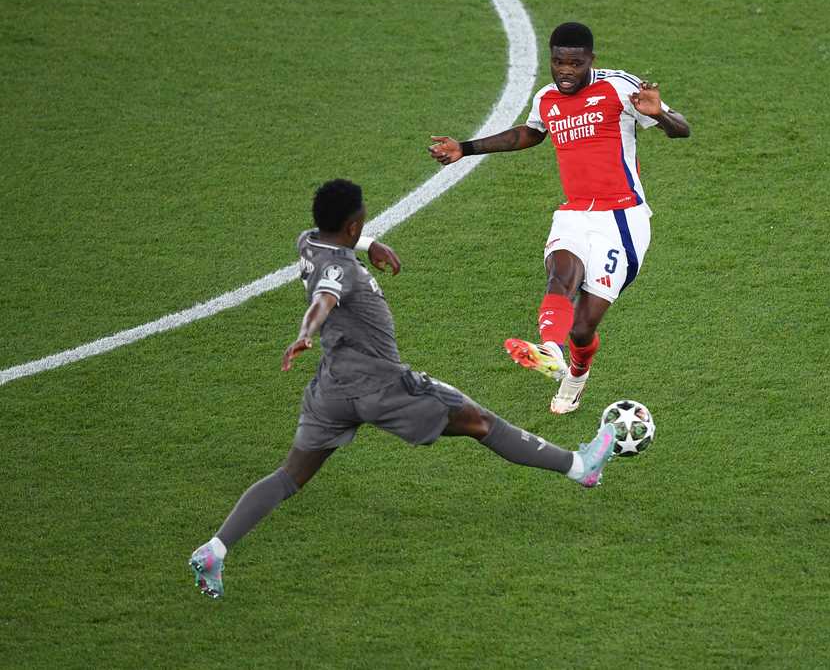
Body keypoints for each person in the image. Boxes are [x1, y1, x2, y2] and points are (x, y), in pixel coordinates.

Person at [189, 179, 617, 599]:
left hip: (332, 387)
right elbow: (325, 297)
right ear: (353, 223)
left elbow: (332, 259)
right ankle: (580, 466)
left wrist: (369, 243)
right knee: (482, 423)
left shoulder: (310, 243)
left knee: (288, 476)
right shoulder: (338, 270)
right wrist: (306, 331)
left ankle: (215, 550)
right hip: (385, 385)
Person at [428, 22, 690, 414]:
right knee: (560, 273)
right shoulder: (547, 99)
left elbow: (681, 130)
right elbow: (532, 133)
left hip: (621, 220)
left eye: (575, 63)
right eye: (558, 62)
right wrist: (466, 148)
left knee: (584, 326)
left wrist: (660, 115)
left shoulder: (619, 87)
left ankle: (576, 376)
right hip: (574, 213)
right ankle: (550, 347)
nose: (565, 70)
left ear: (591, 61)